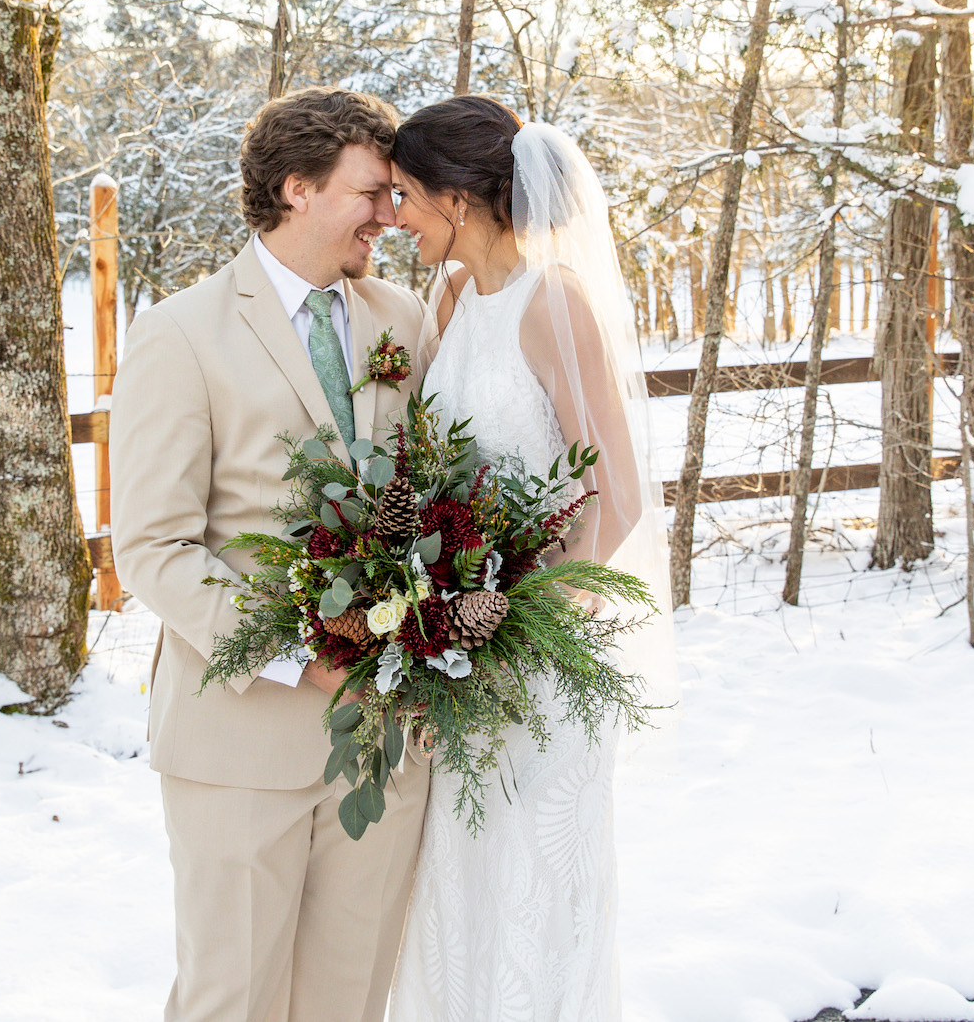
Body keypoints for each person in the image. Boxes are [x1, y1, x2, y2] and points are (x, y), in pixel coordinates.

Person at [110, 86, 435, 1022]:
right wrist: (306, 654)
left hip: (383, 746)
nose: (390, 214)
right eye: (372, 192)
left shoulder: (403, 323)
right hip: (238, 742)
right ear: (296, 188)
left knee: (349, 1000)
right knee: (232, 1000)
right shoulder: (180, 333)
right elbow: (155, 547)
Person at [384, 95, 675, 1022]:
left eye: (405, 196)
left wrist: (523, 619)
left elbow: (617, 494)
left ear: (458, 201)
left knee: (531, 893)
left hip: (535, 662)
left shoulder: (554, 301)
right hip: (460, 658)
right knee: (458, 888)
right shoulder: (452, 295)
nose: (395, 216)